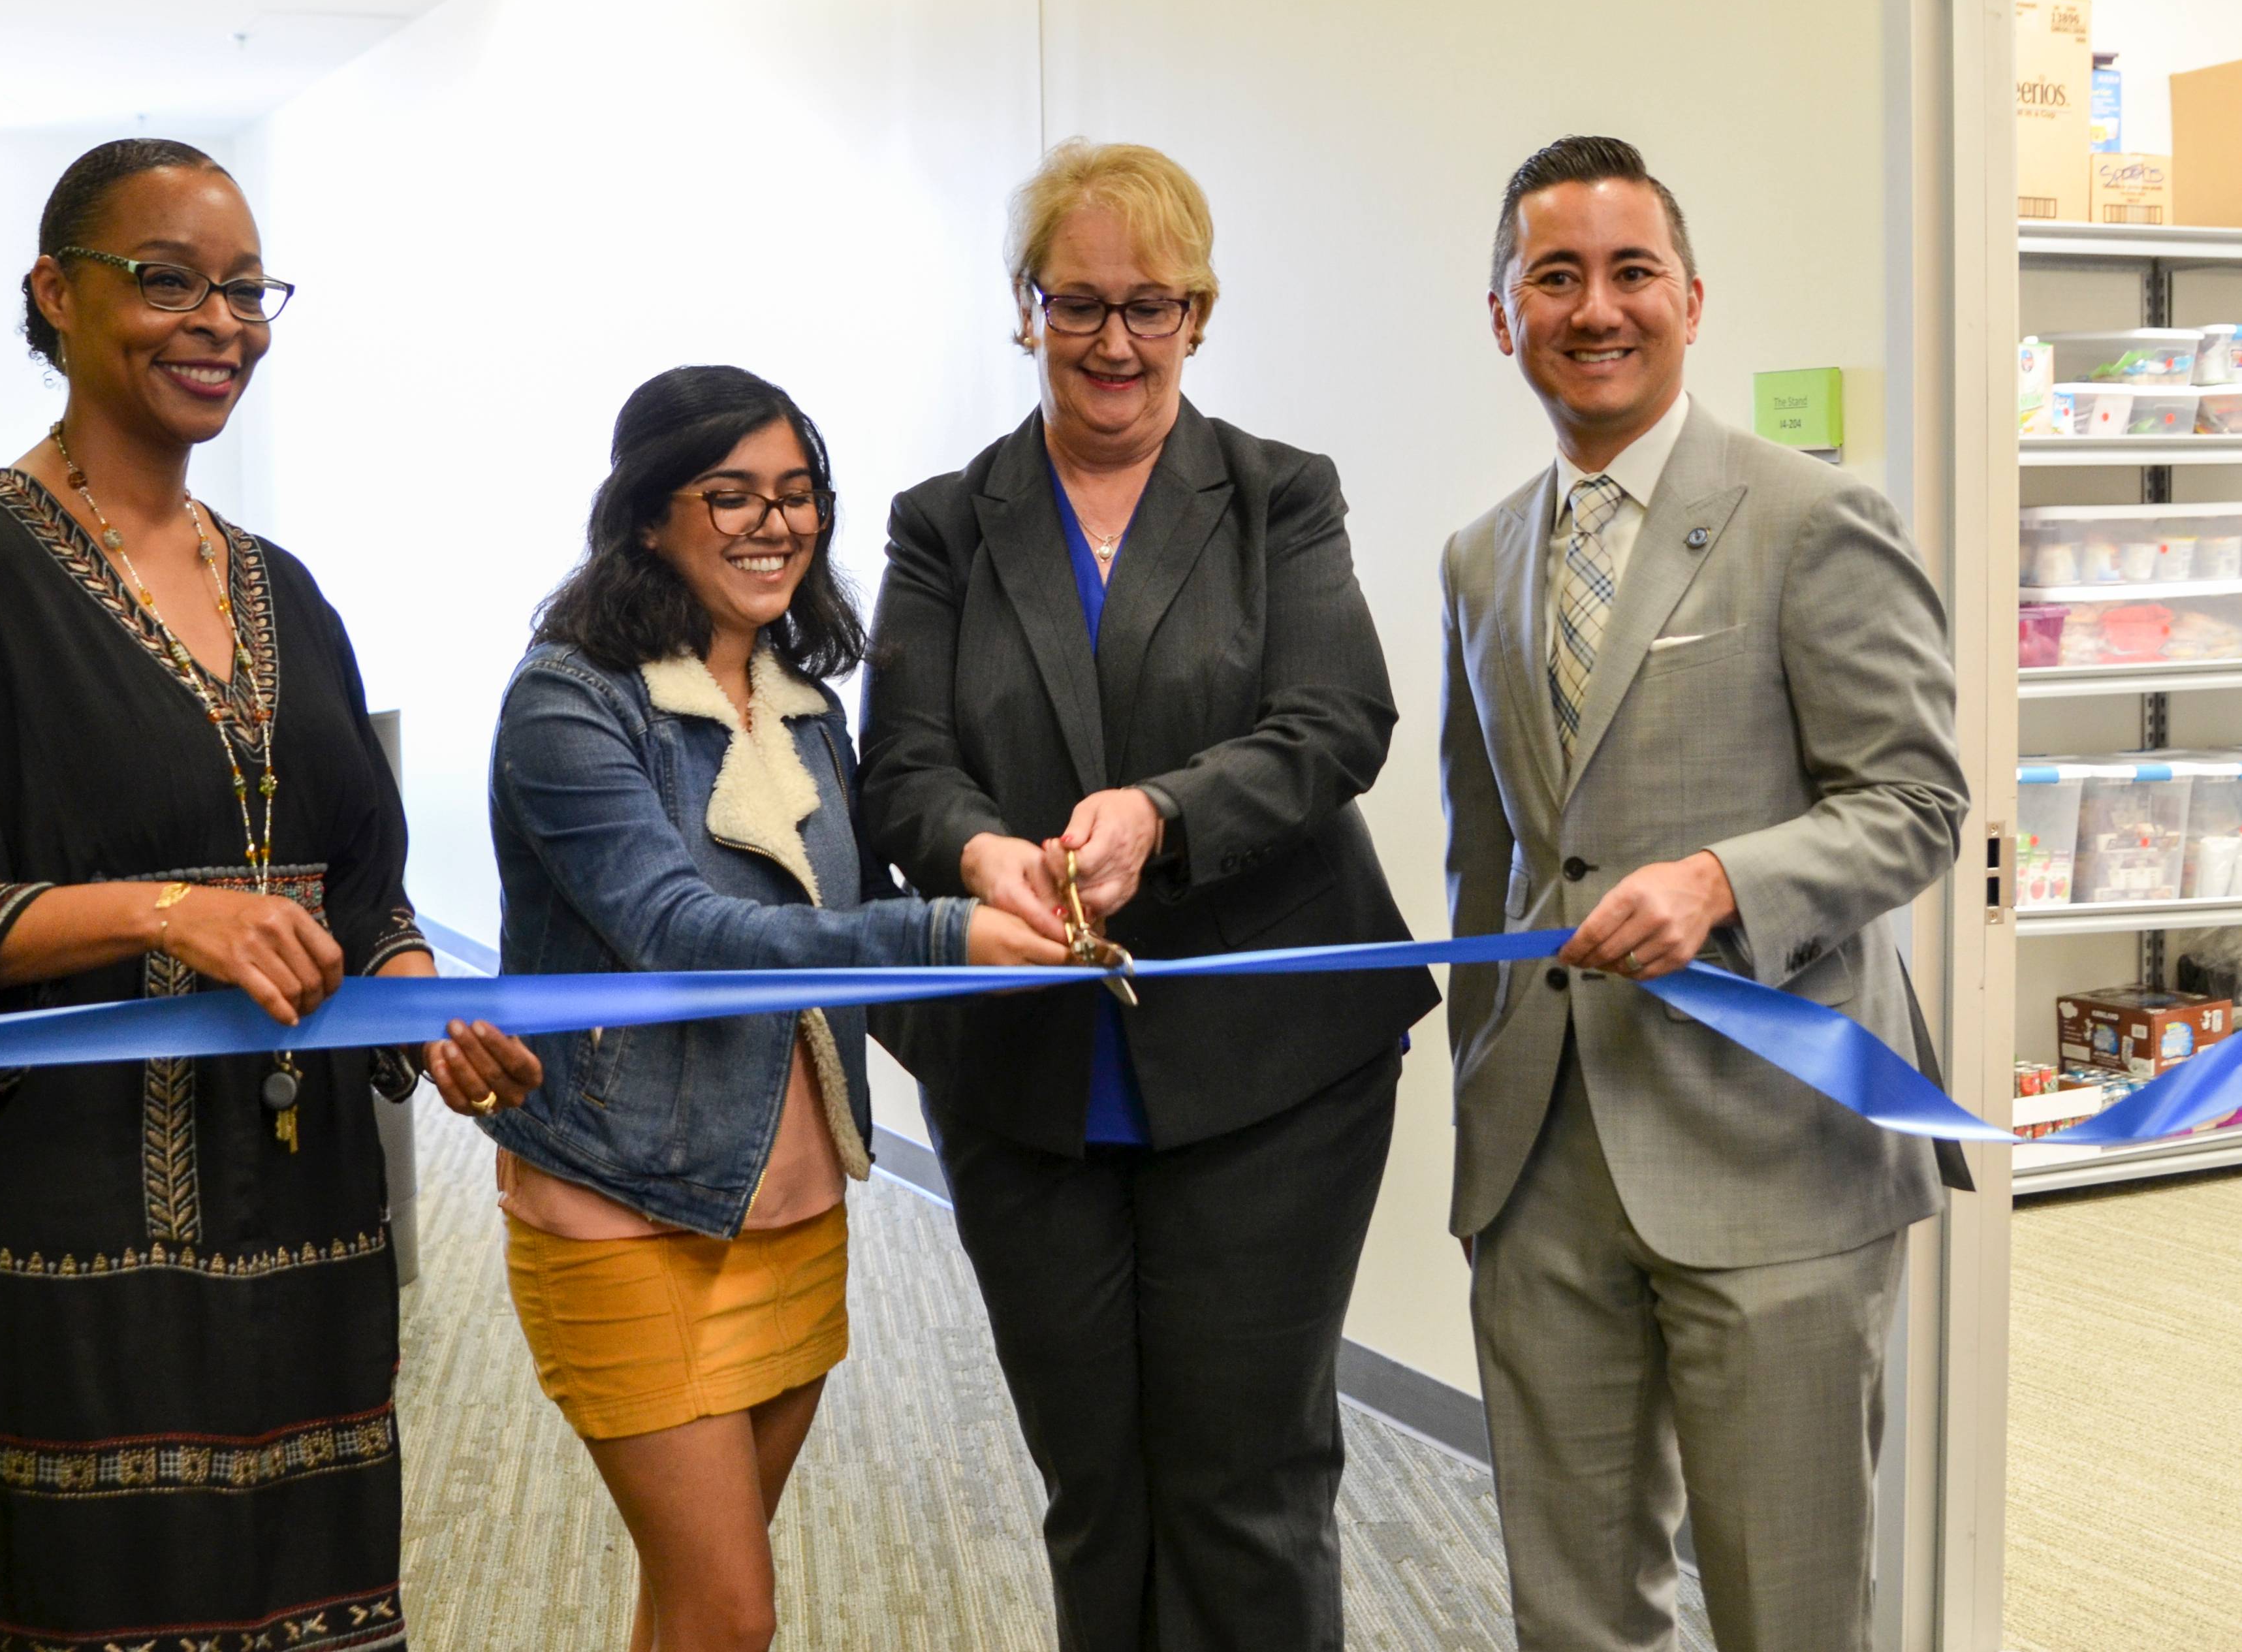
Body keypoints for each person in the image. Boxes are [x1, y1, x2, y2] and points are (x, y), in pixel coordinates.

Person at [0, 137, 537, 1652]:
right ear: (54, 295)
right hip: (60, 1260)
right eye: (168, 281)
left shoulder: (286, 588)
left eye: (247, 289)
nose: (221, 321)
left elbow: (365, 883)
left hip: (305, 1237)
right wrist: (158, 910)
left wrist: (423, 1001)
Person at [858, 140, 1440, 1651]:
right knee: (1093, 1481)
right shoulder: (943, 523)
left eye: (1151, 304)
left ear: (1200, 311)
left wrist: (1161, 815)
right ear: (1024, 305)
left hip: (1273, 1069)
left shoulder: (1277, 499)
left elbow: (1336, 723)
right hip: (1027, 1071)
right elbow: (904, 769)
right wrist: (985, 852)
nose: (1114, 340)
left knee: (1247, 1479)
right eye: (1079, 302)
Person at [1438, 135, 1971, 1652]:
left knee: (1785, 1607)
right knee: (1574, 1606)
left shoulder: (1810, 518)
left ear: (1688, 298)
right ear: (1502, 315)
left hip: (1772, 1153)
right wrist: (1484, 1113)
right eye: (1553, 276)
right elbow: (1494, 858)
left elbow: (1916, 803)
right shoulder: (1480, 560)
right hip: (1545, 1168)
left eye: (1627, 272)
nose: (1593, 307)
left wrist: (1720, 879)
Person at [484, 364, 1069, 1652]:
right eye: (730, 493)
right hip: (631, 1204)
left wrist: (1016, 884)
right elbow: (681, 933)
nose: (773, 523)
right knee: (730, 1612)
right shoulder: (567, 702)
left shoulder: (805, 710)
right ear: (648, 516)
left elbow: (849, 908)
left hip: (793, 1200)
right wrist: (942, 932)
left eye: (798, 495)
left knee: (700, 1607)